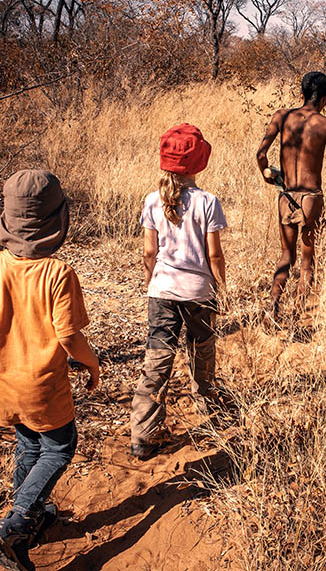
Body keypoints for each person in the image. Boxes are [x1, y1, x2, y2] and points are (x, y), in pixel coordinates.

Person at [0, 169, 100, 571]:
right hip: (44, 383)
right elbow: (70, 338)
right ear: (57, 221)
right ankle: (15, 524)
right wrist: (92, 364)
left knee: (28, 445)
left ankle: (32, 511)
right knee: (59, 447)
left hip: (5, 379)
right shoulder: (57, 273)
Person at [131, 123, 227, 461]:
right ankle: (209, 409)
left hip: (162, 290)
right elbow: (214, 254)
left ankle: (142, 434)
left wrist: (150, 281)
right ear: (199, 162)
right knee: (201, 350)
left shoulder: (152, 201)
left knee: (157, 358)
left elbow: (148, 252)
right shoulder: (208, 202)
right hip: (199, 291)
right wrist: (222, 289)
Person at [256, 71, 326, 318]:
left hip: (287, 195)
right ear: (325, 99)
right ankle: (297, 314)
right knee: (307, 261)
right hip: (312, 197)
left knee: (286, 255)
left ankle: (273, 304)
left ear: (301, 94)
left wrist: (267, 175)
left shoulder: (282, 117)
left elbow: (261, 154)